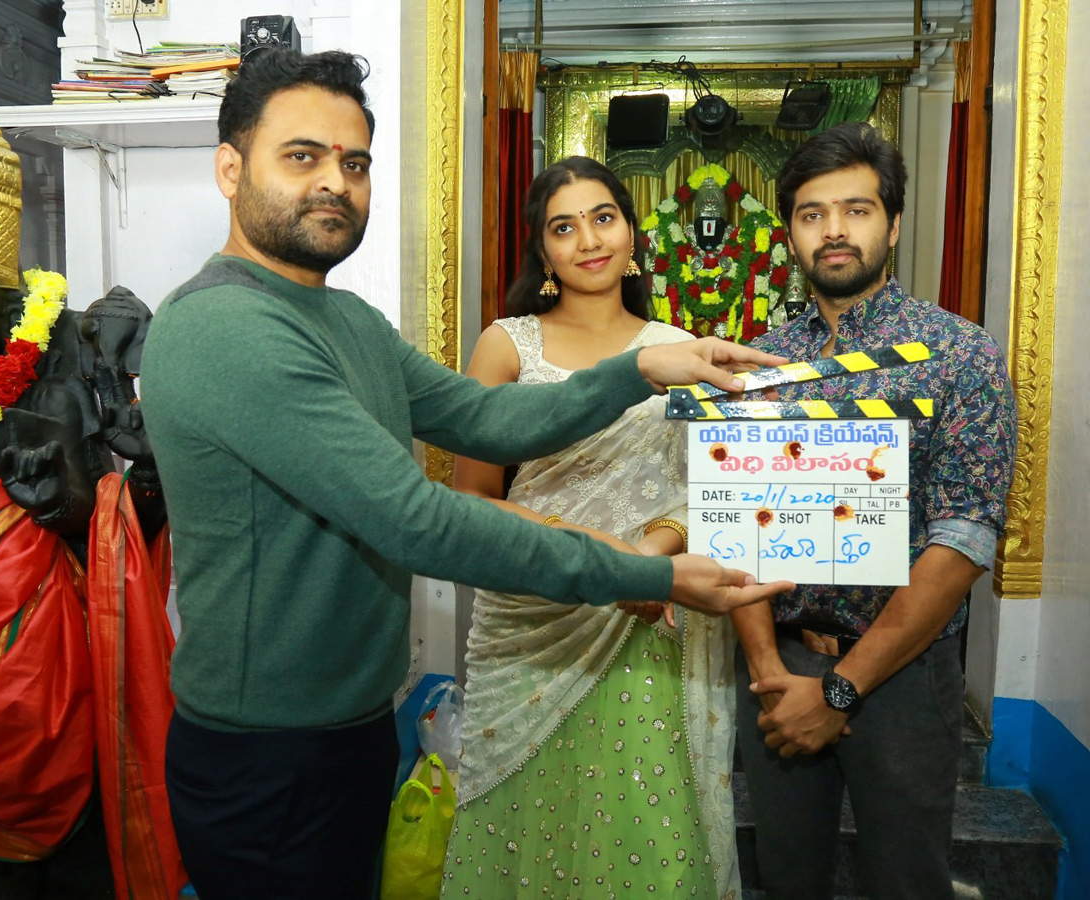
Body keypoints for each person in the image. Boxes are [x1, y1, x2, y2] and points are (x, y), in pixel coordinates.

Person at [140, 48, 792, 900]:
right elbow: (418, 521)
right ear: (231, 169)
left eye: (354, 162)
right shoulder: (225, 325)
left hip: (349, 726)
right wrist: (650, 574)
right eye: (301, 156)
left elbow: (486, 418)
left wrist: (642, 368)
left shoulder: (345, 318)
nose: (334, 182)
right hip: (266, 750)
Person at [0, 117, 182, 900]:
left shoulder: (60, 373)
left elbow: (120, 511)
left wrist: (64, 501)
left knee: (32, 753)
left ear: (8, 310)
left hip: (28, 634)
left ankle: (26, 858)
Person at [731, 122, 1018, 900]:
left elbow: (963, 539)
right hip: (781, 660)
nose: (834, 230)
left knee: (907, 880)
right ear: (790, 232)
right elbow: (738, 527)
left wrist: (842, 689)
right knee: (787, 880)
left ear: (892, 225)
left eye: (856, 210)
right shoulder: (760, 365)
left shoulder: (959, 355)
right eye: (812, 213)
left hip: (904, 674)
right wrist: (766, 671)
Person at [441, 156, 739, 900]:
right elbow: (471, 498)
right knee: (527, 824)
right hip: (533, 618)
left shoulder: (678, 348)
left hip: (651, 611)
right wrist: (598, 557)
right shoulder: (508, 344)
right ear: (543, 252)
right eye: (563, 227)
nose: (588, 240)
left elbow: (708, 492)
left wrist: (649, 556)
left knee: (642, 826)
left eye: (603, 218)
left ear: (632, 233)